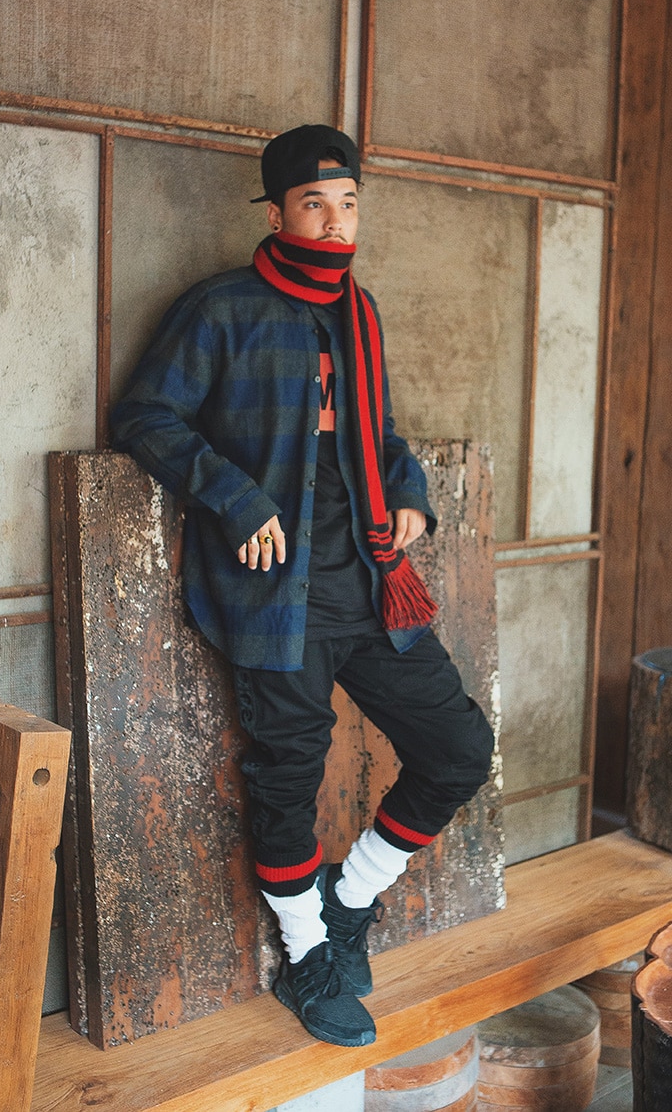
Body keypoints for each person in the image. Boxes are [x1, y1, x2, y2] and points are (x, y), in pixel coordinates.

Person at [111, 124, 494, 1049]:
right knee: (288, 778)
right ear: (278, 211)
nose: (334, 222)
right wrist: (237, 498)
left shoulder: (360, 312)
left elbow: (383, 436)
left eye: (348, 203)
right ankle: (307, 952)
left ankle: (349, 899)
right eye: (314, 204)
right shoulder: (222, 309)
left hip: (370, 583)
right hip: (273, 596)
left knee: (459, 747)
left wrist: (409, 494)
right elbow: (145, 416)